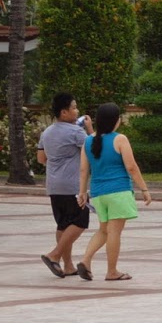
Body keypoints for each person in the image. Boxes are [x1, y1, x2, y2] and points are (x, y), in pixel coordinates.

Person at [75, 103, 151, 281]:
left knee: (103, 230)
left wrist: (82, 192)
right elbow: (131, 167)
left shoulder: (88, 141)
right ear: (117, 121)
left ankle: (85, 260)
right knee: (114, 232)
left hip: (98, 193)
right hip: (118, 191)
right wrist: (144, 189)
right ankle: (111, 271)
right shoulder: (120, 139)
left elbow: (83, 171)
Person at [37, 93, 93, 278]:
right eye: (74, 107)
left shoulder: (46, 132)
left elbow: (41, 159)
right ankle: (54, 255)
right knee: (80, 221)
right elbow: (93, 151)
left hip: (53, 185)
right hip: (72, 185)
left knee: (63, 224)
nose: (77, 111)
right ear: (64, 112)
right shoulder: (76, 132)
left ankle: (68, 265)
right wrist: (90, 129)